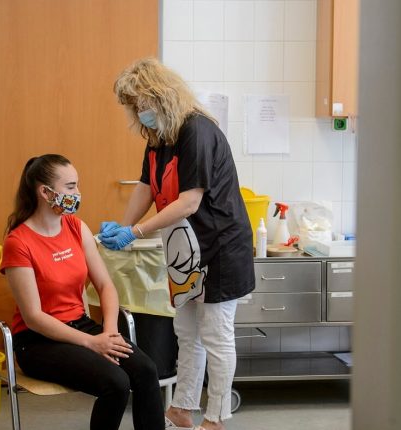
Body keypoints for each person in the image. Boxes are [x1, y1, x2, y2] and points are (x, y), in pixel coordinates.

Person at [98, 58, 255, 430]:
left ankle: (215, 419)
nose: (139, 112)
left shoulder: (196, 131)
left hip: (220, 249)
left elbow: (189, 203)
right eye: (133, 106)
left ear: (161, 96)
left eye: (141, 103)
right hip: (187, 251)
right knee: (186, 332)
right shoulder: (158, 136)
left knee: (216, 334)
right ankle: (182, 408)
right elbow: (146, 186)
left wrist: (136, 233)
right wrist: (123, 225)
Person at [0, 154, 164, 430]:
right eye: (70, 186)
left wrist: (109, 333)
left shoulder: (76, 227)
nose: (77, 193)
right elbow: (33, 317)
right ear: (45, 192)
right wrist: (91, 343)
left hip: (81, 326)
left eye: (77, 185)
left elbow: (105, 285)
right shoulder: (18, 242)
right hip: (38, 342)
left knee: (146, 371)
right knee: (116, 383)